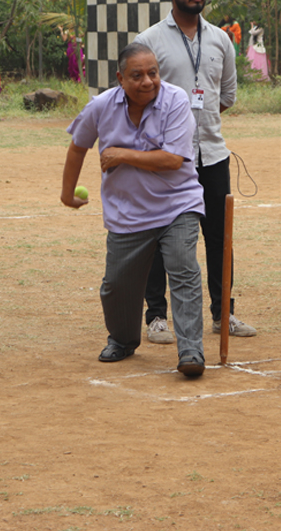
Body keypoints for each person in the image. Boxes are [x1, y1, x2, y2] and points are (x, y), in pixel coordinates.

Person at [60, 43, 207, 377]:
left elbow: (172, 160)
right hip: (128, 212)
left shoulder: (175, 100)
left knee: (183, 271)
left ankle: (190, 352)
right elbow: (78, 146)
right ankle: (123, 341)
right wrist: (67, 194)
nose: (147, 82)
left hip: (177, 204)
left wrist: (121, 154)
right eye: (137, 75)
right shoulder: (101, 106)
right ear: (120, 79)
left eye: (153, 73)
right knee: (117, 286)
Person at [134, 0, 258, 345]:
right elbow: (137, 98)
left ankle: (224, 314)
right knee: (158, 235)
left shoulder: (221, 39)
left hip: (213, 155)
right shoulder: (149, 41)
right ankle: (156, 317)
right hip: (165, 160)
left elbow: (227, 96)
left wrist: (193, 122)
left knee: (220, 238)